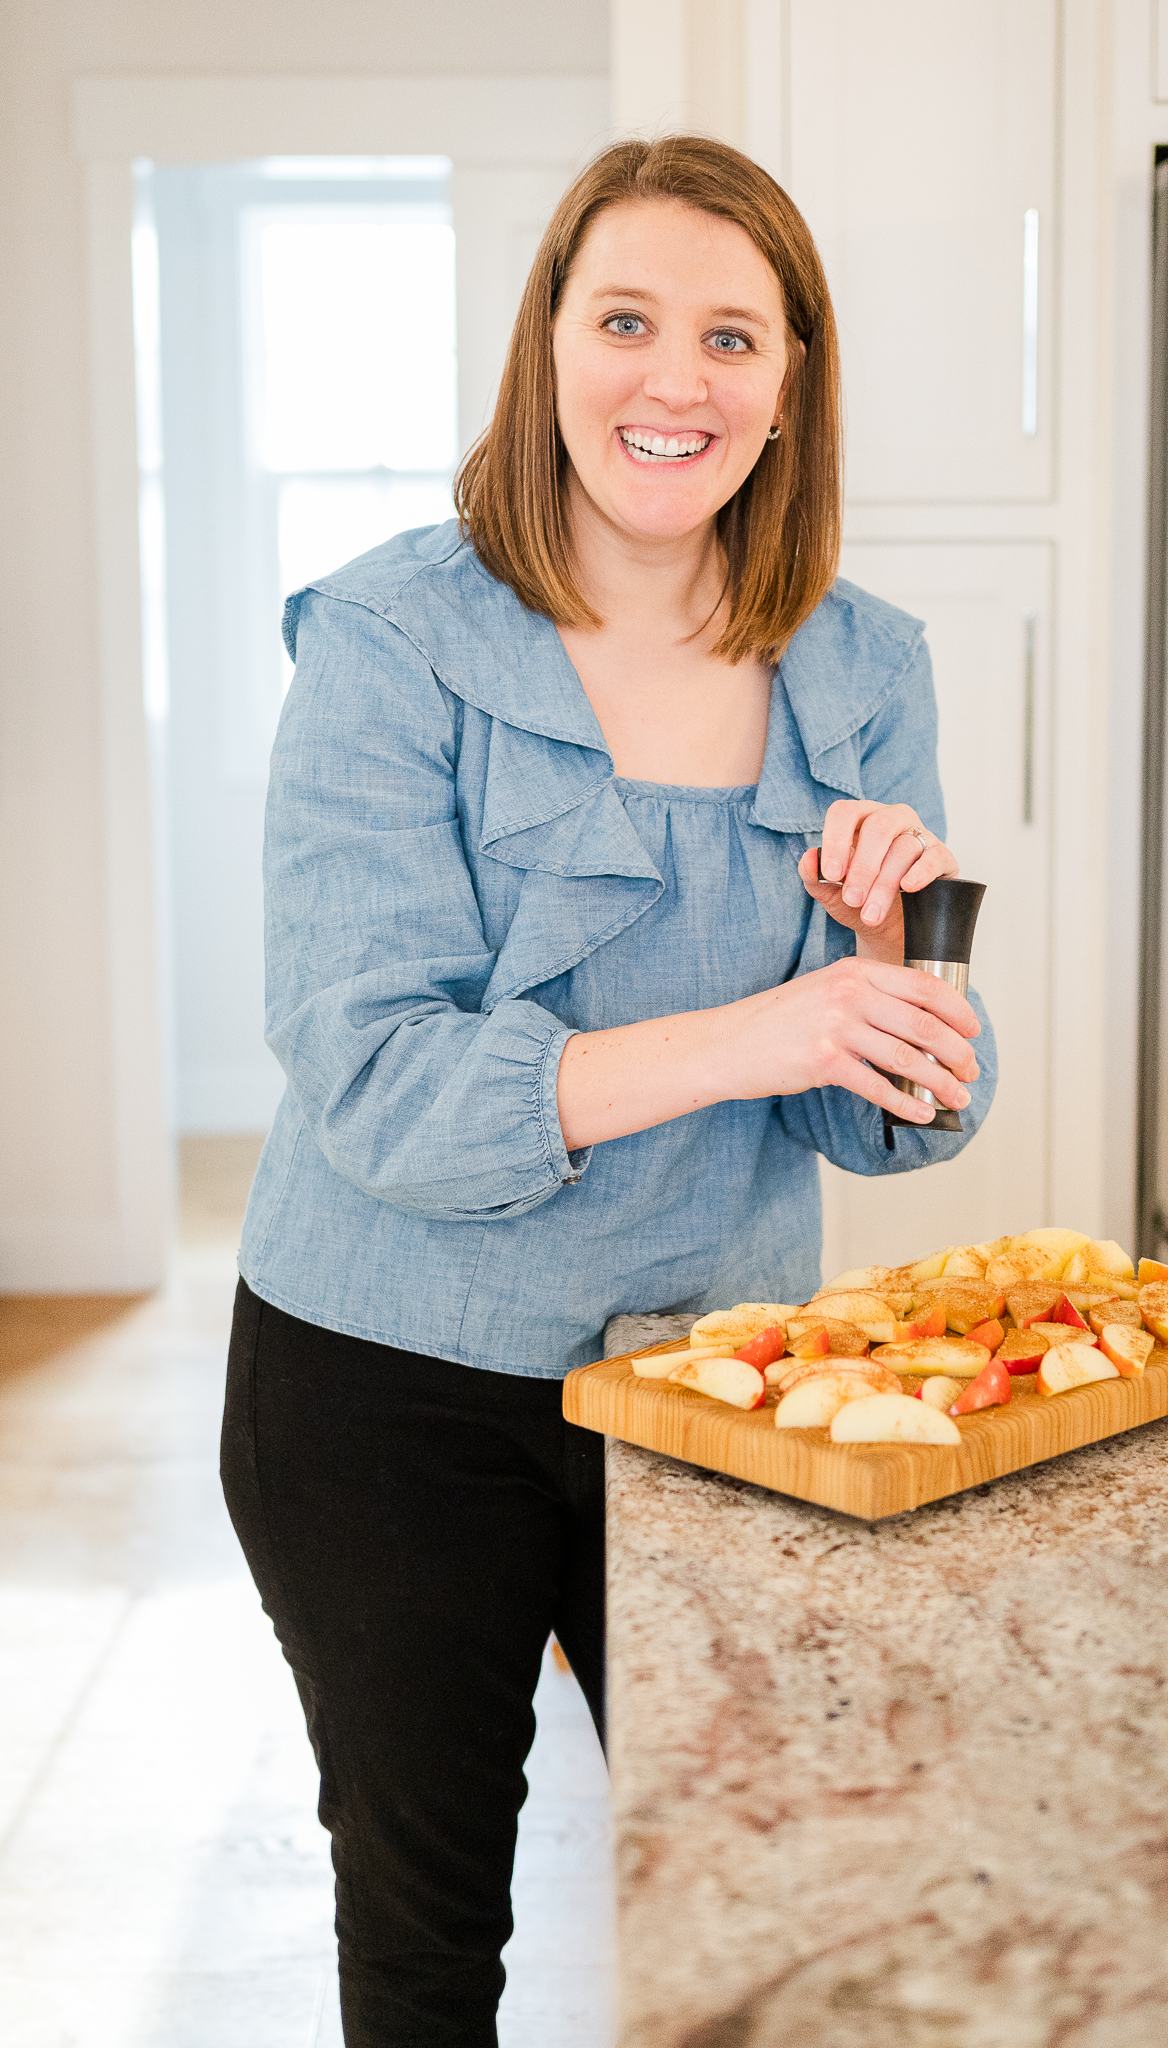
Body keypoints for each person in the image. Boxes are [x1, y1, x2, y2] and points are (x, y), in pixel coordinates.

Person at [221, 134, 996, 2047]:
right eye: (627, 319)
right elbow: (380, 1083)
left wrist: (886, 994)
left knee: (766, 1891)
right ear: (544, 341)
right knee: (424, 1935)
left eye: (733, 337)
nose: (677, 380)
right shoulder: (391, 642)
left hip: (722, 1383)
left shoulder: (863, 662)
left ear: (790, 381)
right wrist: (773, 1032)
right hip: (384, 1387)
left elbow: (882, 1110)